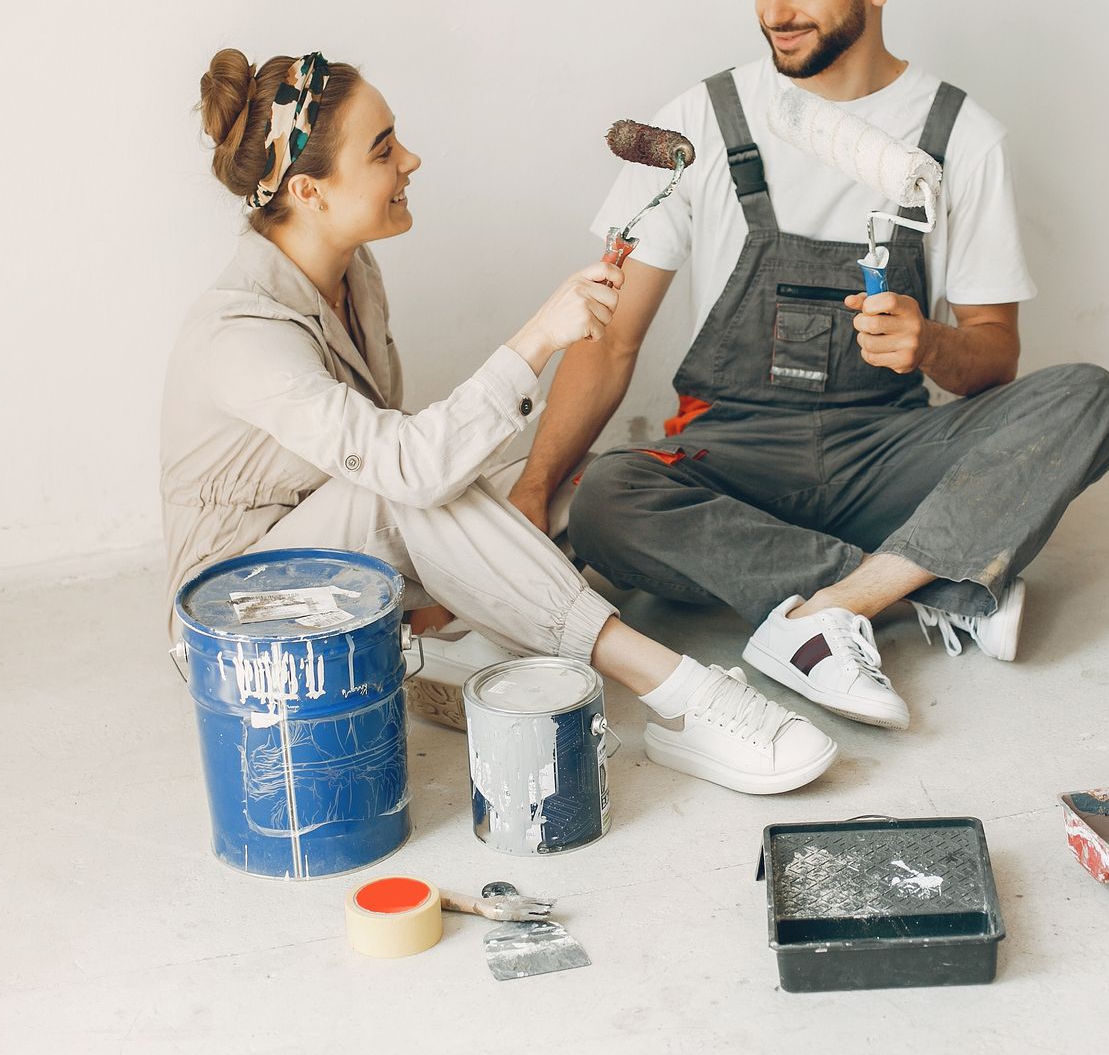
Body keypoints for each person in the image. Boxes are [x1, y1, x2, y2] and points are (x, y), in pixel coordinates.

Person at [510, 0, 1109, 732]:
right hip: (733, 457)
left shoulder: (961, 138)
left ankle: (828, 608)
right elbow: (611, 340)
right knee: (610, 498)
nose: (776, 11)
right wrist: (535, 491)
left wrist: (930, 345)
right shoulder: (703, 120)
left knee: (1091, 399)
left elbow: (996, 357)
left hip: (886, 451)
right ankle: (935, 585)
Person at [159, 48, 838, 794]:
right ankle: (680, 696)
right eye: (383, 149)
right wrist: (540, 336)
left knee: (580, 481)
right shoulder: (242, 335)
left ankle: (465, 628)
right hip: (237, 624)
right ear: (309, 190)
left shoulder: (352, 273)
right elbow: (404, 471)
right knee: (409, 488)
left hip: (346, 567)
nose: (410, 159)